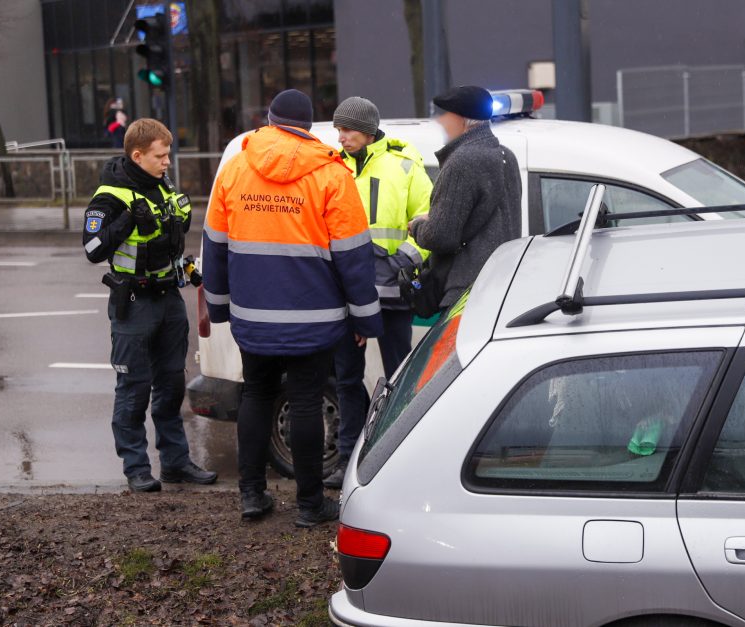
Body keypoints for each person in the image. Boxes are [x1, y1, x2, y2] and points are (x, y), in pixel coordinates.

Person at [202, 89, 383, 527]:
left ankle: (251, 495)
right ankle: (309, 504)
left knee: (257, 394)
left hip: (253, 314)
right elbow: (353, 256)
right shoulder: (331, 174)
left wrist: (221, 308)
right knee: (305, 402)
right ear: (309, 127)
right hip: (315, 316)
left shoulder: (236, 168)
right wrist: (364, 316)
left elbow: (215, 246)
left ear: (268, 119)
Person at [82, 118, 217, 493]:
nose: (167, 162)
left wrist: (189, 268)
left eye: (168, 154)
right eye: (160, 156)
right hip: (134, 303)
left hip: (168, 298)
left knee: (172, 385)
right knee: (134, 388)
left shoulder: (163, 187)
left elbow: (167, 242)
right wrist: (125, 221)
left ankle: (175, 463)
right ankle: (137, 467)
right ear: (138, 155)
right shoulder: (110, 196)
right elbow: (93, 249)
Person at [323, 96, 433, 489]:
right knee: (347, 380)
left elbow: (428, 221)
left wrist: (402, 260)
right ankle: (347, 459)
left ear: (369, 129)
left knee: (400, 377)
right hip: (346, 297)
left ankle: (401, 457)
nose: (342, 136)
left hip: (391, 295)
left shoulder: (405, 165)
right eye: (338, 128)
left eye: (348, 129)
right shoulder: (332, 168)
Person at [408, 85, 522, 310]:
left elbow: (441, 236)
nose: (440, 122)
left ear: (461, 119)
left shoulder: (462, 161)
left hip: (466, 292)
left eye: (444, 115)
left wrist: (419, 226)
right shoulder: (506, 156)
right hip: (502, 285)